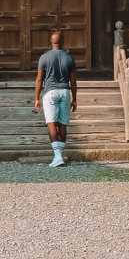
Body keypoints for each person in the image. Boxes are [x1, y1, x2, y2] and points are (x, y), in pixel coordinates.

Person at [33, 27, 77, 167]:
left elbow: (39, 80)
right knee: (62, 124)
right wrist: (74, 99)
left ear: (51, 42)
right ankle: (60, 156)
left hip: (50, 92)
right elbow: (73, 82)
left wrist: (37, 98)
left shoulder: (44, 57)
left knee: (52, 123)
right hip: (64, 91)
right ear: (62, 42)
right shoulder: (69, 58)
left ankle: (57, 157)